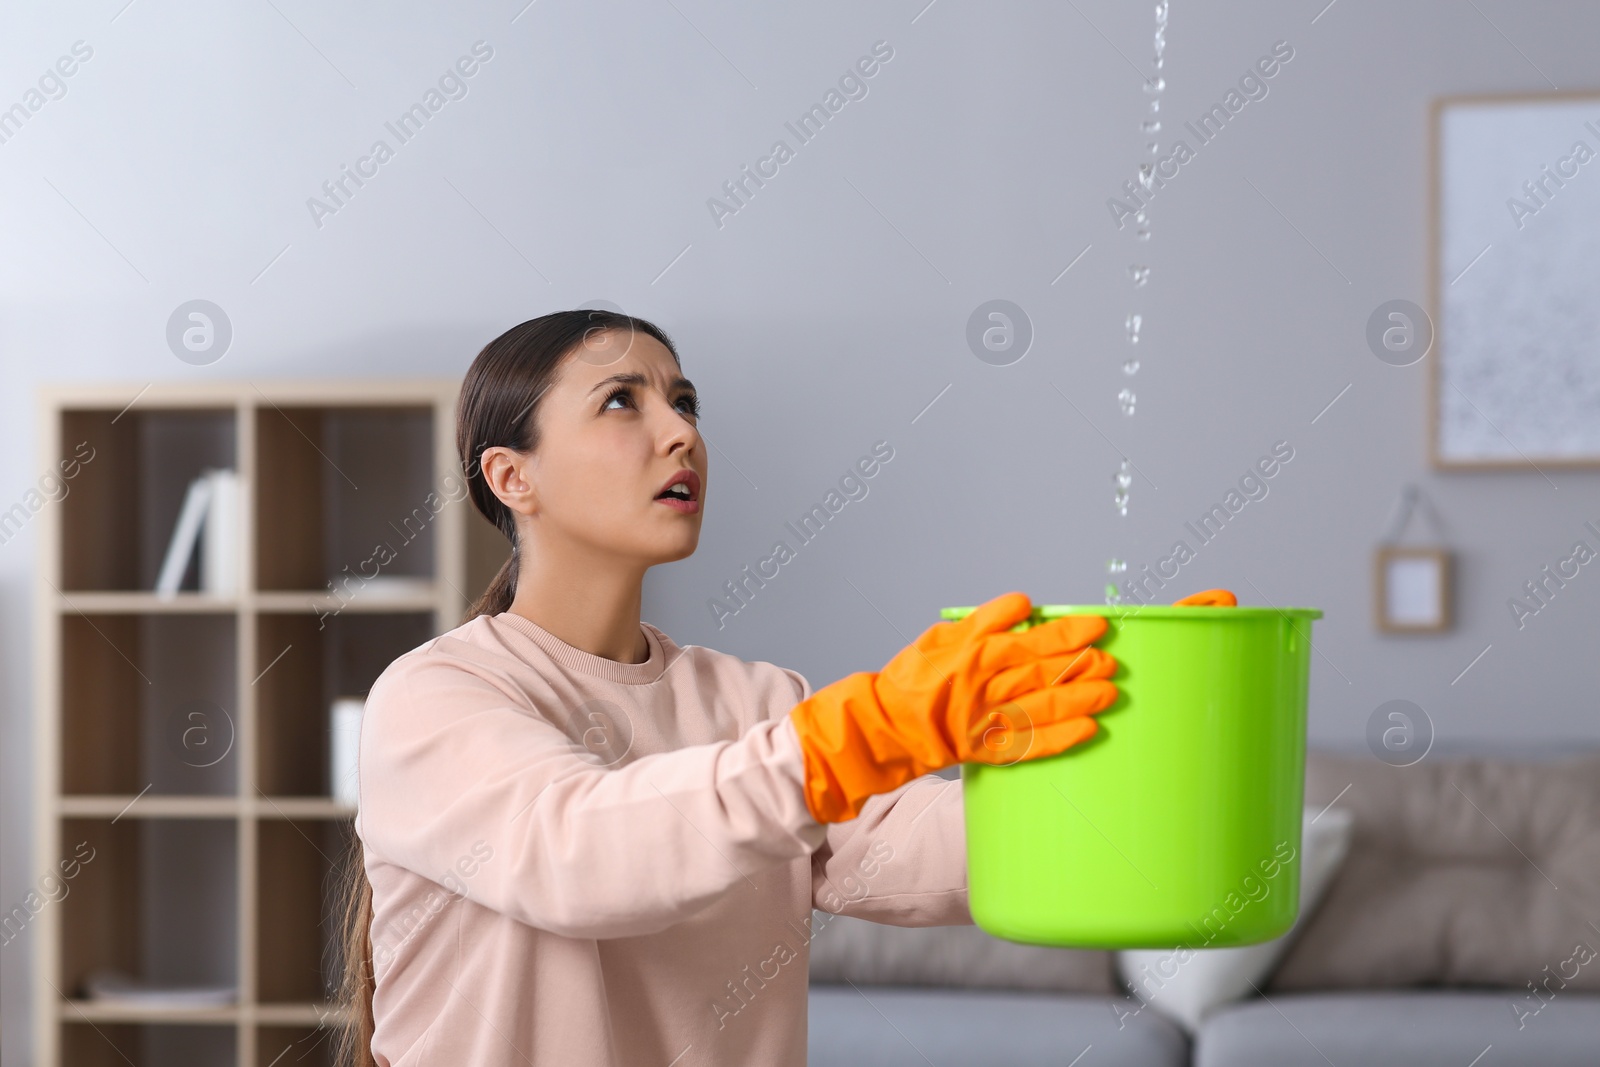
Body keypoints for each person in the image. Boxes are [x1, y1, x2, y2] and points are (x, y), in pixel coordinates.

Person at [332, 309, 1206, 1066]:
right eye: (620, 401)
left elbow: (918, 848)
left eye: (684, 402)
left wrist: (1129, 723)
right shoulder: (435, 696)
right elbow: (579, 853)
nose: (679, 433)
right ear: (511, 476)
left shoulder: (753, 699)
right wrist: (851, 737)